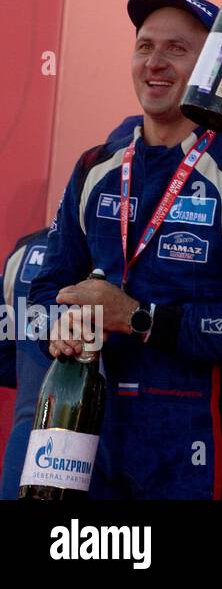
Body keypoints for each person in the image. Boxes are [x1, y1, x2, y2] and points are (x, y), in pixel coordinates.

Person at [27, 0, 222, 499]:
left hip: (192, 450)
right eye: (144, 47)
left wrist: (141, 317)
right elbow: (48, 288)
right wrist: (60, 325)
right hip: (86, 437)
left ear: (213, 66)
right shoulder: (96, 167)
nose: (154, 63)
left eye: (176, 50)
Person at [0, 116, 139, 500]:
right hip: (102, 463)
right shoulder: (134, 264)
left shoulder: (22, 254)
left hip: (31, 456)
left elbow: (3, 358)